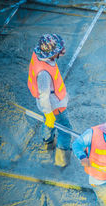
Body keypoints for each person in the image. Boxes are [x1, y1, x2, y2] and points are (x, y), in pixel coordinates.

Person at [27, 34, 72, 167]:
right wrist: (49, 113)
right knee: (65, 129)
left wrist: (47, 115)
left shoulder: (38, 54)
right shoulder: (44, 74)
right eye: (58, 50)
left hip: (45, 104)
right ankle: (62, 158)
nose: (61, 51)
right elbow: (44, 96)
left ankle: (48, 143)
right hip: (54, 105)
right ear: (51, 53)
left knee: (48, 123)